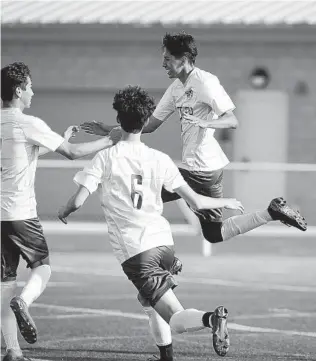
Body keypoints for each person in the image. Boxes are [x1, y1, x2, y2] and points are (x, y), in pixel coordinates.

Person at [58, 85, 247, 360]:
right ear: (146, 121)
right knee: (148, 302)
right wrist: (225, 201)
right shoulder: (160, 159)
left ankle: (210, 319)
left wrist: (63, 211)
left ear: (118, 121)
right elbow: (197, 202)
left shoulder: (105, 157)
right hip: (164, 245)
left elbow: (76, 202)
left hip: (137, 250)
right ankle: (165, 357)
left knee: (175, 317)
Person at [80, 31, 307, 249]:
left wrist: (207, 123)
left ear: (184, 59)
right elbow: (149, 125)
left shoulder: (205, 82)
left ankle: (162, 256)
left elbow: (231, 119)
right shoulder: (176, 88)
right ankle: (272, 212)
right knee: (213, 233)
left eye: (168, 59)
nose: (163, 64)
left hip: (202, 168)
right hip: (201, 168)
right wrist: (108, 129)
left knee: (138, 200)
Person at [1, 62, 120, 361]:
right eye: (29, 86)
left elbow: (25, 149)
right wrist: (109, 140)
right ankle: (24, 302)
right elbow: (72, 153)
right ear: (18, 90)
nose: (33, 91)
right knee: (43, 267)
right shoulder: (26, 122)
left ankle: (12, 351)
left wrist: (59, 138)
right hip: (20, 213)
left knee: (4, 282)